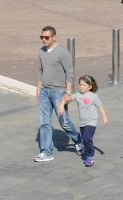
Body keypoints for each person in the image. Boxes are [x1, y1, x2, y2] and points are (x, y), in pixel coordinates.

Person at [34, 26, 83, 162]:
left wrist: (68, 92)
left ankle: (79, 140)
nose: (43, 40)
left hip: (59, 92)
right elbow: (40, 70)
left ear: (54, 37)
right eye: (41, 37)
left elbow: (69, 72)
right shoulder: (41, 51)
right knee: (44, 122)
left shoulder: (62, 51)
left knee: (64, 122)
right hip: (44, 91)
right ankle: (46, 151)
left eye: (46, 37)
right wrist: (38, 88)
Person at [59, 75, 109, 167]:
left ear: (90, 86)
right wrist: (62, 106)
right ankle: (87, 149)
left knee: (87, 138)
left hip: (91, 121)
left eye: (84, 85)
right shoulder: (77, 95)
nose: (81, 87)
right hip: (82, 123)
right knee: (86, 140)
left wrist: (104, 118)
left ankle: (90, 156)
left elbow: (100, 107)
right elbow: (66, 98)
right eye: (80, 85)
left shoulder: (94, 96)